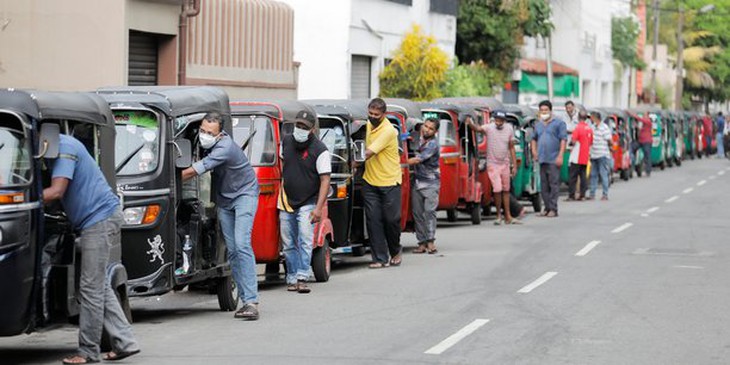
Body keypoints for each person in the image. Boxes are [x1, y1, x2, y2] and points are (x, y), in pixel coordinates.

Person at [44, 134, 140, 365]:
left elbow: (57, 191)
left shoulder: (65, 147)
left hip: (98, 219)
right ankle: (125, 342)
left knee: (90, 287)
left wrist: (18, 197)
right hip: (96, 218)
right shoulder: (56, 147)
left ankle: (87, 351)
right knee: (98, 285)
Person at [181, 112, 260, 320]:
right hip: (225, 199)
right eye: (203, 130)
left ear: (219, 134)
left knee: (242, 245)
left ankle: (252, 302)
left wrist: (164, 180)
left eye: (210, 133)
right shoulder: (201, 140)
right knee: (232, 251)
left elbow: (194, 171)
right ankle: (245, 300)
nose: (205, 135)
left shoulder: (224, 147)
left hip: (244, 194)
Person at [278, 114, 331, 293]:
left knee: (305, 240)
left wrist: (318, 208)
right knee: (288, 243)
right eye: (298, 125)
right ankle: (292, 277)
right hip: (286, 201)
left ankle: (302, 277)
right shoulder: (286, 141)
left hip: (308, 202)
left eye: (304, 126)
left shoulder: (320, 149)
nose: (300, 129)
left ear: (312, 130)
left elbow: (325, 180)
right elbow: (283, 164)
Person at [361, 98, 402, 268]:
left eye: (376, 115)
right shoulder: (369, 125)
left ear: (384, 115)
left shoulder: (388, 130)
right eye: (370, 113)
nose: (372, 117)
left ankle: (395, 251)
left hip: (389, 181)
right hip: (370, 180)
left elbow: (368, 153)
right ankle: (379, 258)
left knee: (391, 220)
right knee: (373, 220)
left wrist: (353, 162)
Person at [468, 110, 520, 225]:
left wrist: (514, 165)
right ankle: (498, 216)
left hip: (505, 163)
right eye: (496, 119)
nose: (498, 122)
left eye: (501, 120)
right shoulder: (489, 128)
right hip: (493, 164)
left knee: (506, 190)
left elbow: (511, 147)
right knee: (497, 189)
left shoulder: (509, 129)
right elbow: (477, 129)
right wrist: (470, 123)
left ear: (504, 121)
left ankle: (508, 216)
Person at [407, 118, 440, 254]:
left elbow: (418, 159)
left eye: (431, 128)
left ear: (435, 131)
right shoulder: (416, 138)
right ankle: (421, 243)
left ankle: (430, 242)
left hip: (431, 183)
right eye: (425, 126)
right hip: (416, 182)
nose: (426, 129)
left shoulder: (433, 144)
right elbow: (403, 139)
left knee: (429, 213)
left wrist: (397, 163)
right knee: (417, 214)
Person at [531, 100, 567, 217]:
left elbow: (563, 140)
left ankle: (553, 209)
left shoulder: (559, 124)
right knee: (544, 185)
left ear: (550, 111)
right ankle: (546, 208)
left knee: (553, 184)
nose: (544, 112)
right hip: (542, 159)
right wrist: (534, 152)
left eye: (546, 110)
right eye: (541, 110)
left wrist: (560, 155)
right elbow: (533, 139)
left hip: (554, 158)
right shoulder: (538, 125)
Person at [567, 111, 593, 201]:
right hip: (585, 156)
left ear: (578, 118)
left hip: (576, 156)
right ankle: (582, 195)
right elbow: (591, 142)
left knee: (573, 177)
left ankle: (571, 195)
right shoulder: (589, 129)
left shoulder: (578, 128)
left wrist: (569, 145)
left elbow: (573, 141)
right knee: (583, 176)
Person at [587, 111, 613, 201]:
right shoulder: (592, 127)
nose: (591, 119)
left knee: (603, 174)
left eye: (592, 117)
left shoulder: (604, 128)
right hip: (594, 155)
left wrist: (609, 147)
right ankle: (592, 194)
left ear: (595, 118)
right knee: (593, 175)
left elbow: (610, 140)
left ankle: (605, 194)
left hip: (602, 155)